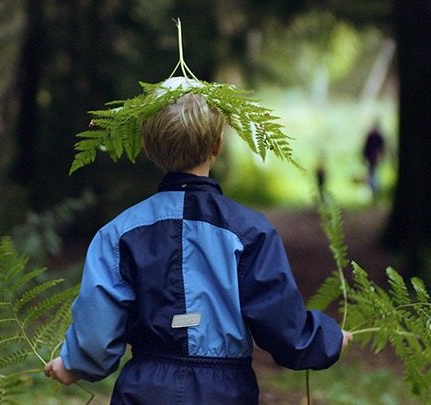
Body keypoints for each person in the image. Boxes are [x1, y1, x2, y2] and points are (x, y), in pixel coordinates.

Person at [45, 81, 352, 404]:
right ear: (217, 145)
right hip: (225, 391)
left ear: (147, 148)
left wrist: (74, 365)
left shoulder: (118, 234)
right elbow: (282, 325)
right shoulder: (250, 231)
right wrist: (326, 340)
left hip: (145, 389)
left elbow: (98, 327)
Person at [362, 122, 386, 202]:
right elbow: (382, 148)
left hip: (372, 158)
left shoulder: (372, 135)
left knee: (372, 174)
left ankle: (374, 192)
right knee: (374, 174)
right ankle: (375, 193)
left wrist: (364, 157)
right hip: (375, 158)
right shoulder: (378, 136)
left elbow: (366, 148)